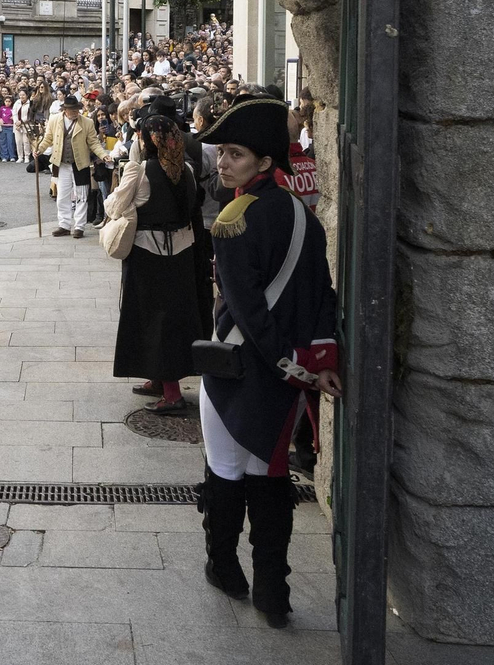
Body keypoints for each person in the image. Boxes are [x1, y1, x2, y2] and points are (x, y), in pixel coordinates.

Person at [199, 95, 341, 629]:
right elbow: (322, 297)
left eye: (235, 154)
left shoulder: (235, 218)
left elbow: (247, 310)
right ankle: (272, 593)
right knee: (270, 474)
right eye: (223, 152)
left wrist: (284, 360)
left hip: (241, 367)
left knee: (225, 468)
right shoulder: (306, 218)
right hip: (287, 373)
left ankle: (224, 567)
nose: (222, 162)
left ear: (264, 163)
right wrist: (315, 360)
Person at [108, 114, 205, 414]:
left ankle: (172, 393)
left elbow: (114, 207)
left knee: (153, 320)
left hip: (148, 255)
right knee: (170, 318)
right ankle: (158, 380)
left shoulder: (140, 171)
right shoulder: (186, 170)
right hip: (182, 253)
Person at [34, 95, 111, 238]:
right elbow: (48, 138)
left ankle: (79, 226)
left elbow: (93, 142)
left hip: (80, 163)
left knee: (82, 196)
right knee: (62, 195)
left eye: (77, 109)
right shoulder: (54, 120)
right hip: (61, 163)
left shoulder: (86, 122)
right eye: (72, 110)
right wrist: (39, 149)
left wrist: (103, 155)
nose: (75, 112)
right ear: (65, 110)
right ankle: (64, 225)